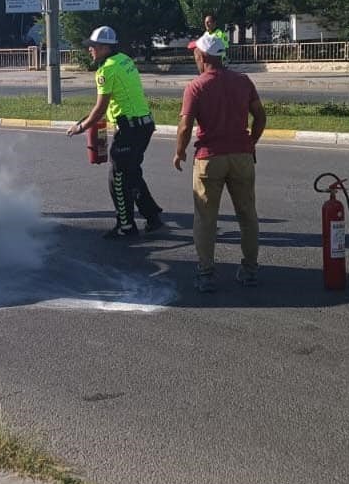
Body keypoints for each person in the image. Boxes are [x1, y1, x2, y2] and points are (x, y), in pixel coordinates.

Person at [173, 33, 266, 292]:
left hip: (209, 159)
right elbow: (260, 116)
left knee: (206, 218)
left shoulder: (196, 86)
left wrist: (179, 152)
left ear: (202, 56)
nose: (194, 56)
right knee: (247, 214)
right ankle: (250, 270)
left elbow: (184, 126)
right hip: (242, 156)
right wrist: (251, 143)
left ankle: (206, 274)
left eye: (195, 52)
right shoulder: (243, 81)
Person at [66, 26, 164, 238]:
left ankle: (126, 226)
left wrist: (81, 127)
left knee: (117, 177)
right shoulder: (125, 60)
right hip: (144, 124)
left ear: (104, 47)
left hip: (130, 129)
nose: (89, 50)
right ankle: (152, 217)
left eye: (92, 47)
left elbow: (101, 107)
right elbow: (117, 100)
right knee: (132, 172)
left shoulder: (106, 69)